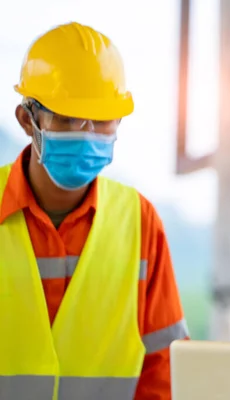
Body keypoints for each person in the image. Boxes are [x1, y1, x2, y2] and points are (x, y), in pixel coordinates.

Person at [0, 22, 188, 399]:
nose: (85, 132)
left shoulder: (140, 222)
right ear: (27, 120)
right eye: (67, 117)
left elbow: (165, 370)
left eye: (100, 119)